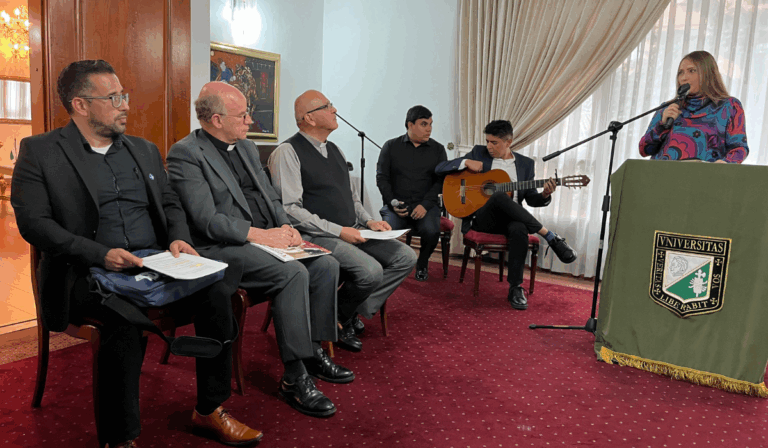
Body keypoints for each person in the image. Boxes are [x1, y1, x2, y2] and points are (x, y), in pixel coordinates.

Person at [10, 60, 261, 448]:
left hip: (154, 262)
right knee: (124, 318)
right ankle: (121, 438)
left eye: (123, 95)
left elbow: (171, 202)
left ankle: (210, 408)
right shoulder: (41, 152)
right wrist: (100, 254)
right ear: (80, 104)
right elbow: (35, 224)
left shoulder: (143, 150)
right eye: (113, 98)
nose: (125, 105)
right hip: (86, 272)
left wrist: (178, 239)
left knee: (219, 293)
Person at [167, 82, 349, 419]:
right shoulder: (187, 153)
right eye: (243, 115)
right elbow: (207, 220)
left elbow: (270, 196)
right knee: (292, 273)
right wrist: (261, 236)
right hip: (223, 246)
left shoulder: (248, 148)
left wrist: (286, 227)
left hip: (268, 236)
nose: (250, 120)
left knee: (325, 264)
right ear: (217, 120)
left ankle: (313, 352)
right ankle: (294, 378)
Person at [268, 90, 417, 349]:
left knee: (406, 257)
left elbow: (352, 198)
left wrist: (370, 222)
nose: (335, 110)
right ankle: (342, 317)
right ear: (309, 118)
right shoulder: (287, 152)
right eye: (327, 106)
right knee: (370, 272)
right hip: (318, 235)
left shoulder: (334, 149)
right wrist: (339, 231)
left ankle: (343, 314)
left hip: (354, 228)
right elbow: (290, 210)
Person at [435, 120, 577, 310]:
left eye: (495, 143)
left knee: (519, 229)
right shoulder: (478, 153)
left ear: (509, 142)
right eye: (487, 141)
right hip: (482, 219)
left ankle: (515, 287)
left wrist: (545, 194)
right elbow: (440, 168)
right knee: (499, 195)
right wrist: (465, 161)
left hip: (512, 218)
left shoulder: (526, 164)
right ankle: (549, 235)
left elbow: (531, 199)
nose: (489, 146)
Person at [376, 105, 447, 282]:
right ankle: (392, 265)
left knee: (431, 231)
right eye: (424, 124)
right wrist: (392, 202)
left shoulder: (438, 150)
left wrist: (426, 205)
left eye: (431, 124)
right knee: (385, 232)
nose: (429, 128)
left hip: (425, 206)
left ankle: (422, 263)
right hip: (397, 206)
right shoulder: (390, 146)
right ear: (410, 125)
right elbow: (382, 178)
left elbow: (441, 182)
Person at [639, 50, 749, 163]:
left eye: (691, 71)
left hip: (705, 178)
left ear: (708, 73)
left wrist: (726, 163)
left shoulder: (729, 106)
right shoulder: (668, 108)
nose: (684, 78)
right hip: (661, 176)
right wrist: (661, 125)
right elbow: (644, 150)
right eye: (681, 72)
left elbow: (739, 148)